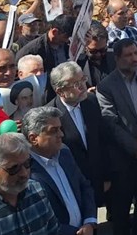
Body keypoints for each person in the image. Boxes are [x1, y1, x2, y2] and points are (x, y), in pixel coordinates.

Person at [97, 38, 137, 235]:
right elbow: (110, 124)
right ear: (117, 58)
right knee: (121, 212)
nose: (134, 59)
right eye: (129, 55)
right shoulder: (106, 86)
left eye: (136, 53)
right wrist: (135, 147)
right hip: (122, 159)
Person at [23, 107, 97, 235]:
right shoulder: (25, 170)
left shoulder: (64, 153)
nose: (61, 134)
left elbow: (84, 186)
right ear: (33, 138)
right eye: (54, 131)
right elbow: (37, 217)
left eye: (60, 129)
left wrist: (89, 221)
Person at [48, 60, 109, 210]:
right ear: (60, 91)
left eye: (83, 79)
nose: (83, 86)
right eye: (76, 84)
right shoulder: (50, 115)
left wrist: (106, 176)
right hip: (71, 186)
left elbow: (102, 140)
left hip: (96, 181)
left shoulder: (91, 101)